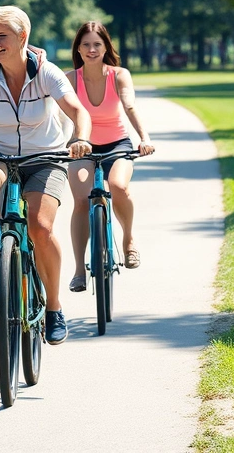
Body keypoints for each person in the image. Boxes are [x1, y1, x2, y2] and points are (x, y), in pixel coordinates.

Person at [0, 6, 92, 345]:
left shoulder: (46, 73)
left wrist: (80, 138)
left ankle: (53, 307)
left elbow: (77, 111)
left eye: (2, 36)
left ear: (23, 37)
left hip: (44, 155)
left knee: (40, 226)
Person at [65, 21, 155, 292]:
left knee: (118, 186)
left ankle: (128, 239)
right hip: (82, 147)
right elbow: (56, 115)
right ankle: (80, 270)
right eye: (86, 45)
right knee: (81, 200)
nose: (92, 50)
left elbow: (129, 105)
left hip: (118, 145)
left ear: (106, 47)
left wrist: (144, 138)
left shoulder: (119, 75)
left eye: (97, 44)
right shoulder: (70, 79)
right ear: (78, 49)